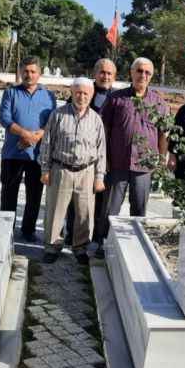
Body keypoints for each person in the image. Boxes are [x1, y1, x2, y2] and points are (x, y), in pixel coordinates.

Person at [97, 57, 169, 256]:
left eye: (147, 72)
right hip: (117, 163)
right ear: (131, 72)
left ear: (151, 76)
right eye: (139, 71)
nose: (143, 75)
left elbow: (164, 133)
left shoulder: (158, 102)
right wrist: (105, 159)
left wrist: (160, 158)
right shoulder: (116, 99)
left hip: (144, 166)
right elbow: (104, 129)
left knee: (139, 210)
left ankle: (137, 247)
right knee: (110, 209)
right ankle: (103, 244)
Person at [38, 77, 106, 264]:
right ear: (72, 93)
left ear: (91, 95)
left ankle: (80, 248)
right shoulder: (58, 115)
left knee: (84, 213)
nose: (81, 96)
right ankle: (52, 246)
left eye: (85, 93)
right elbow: (47, 143)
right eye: (78, 92)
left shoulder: (96, 120)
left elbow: (101, 151)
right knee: (55, 211)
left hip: (86, 172)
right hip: (61, 169)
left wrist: (99, 177)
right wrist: (45, 169)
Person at [0, 56, 57, 242]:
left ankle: (28, 230)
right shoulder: (10, 93)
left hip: (38, 155)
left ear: (39, 74)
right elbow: (5, 119)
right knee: (9, 193)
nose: (28, 75)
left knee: (34, 195)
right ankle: (6, 229)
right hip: (12, 153)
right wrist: (25, 134)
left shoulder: (49, 96)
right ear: (20, 72)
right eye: (25, 71)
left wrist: (36, 137)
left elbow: (52, 121)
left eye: (33, 71)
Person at [64, 58, 117, 246]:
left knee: (101, 200)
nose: (105, 76)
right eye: (102, 72)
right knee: (75, 201)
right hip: (79, 158)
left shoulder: (118, 97)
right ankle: (71, 234)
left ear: (114, 76)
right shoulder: (82, 91)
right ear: (95, 74)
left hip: (105, 159)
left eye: (109, 73)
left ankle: (95, 237)